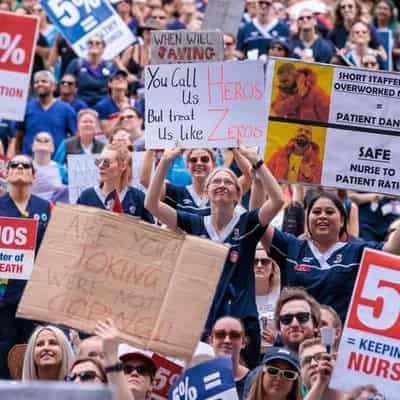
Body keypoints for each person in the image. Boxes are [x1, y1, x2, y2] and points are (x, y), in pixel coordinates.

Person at [145, 148, 284, 367]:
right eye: (216, 181)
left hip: (241, 319)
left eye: (228, 182)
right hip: (202, 321)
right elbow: (151, 205)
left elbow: (277, 200)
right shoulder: (194, 223)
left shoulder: (247, 224)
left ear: (238, 194)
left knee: (241, 382)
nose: (221, 185)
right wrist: (165, 161)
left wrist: (257, 162)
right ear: (207, 191)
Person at [262, 191, 400, 322]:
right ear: (307, 219)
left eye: (329, 212)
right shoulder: (291, 246)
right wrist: (257, 178)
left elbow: (393, 248)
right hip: (294, 336)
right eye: (316, 212)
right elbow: (259, 221)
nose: (322, 216)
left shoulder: (357, 251)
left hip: (337, 341)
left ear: (341, 221)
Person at [0, 155, 52, 379]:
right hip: (3, 298)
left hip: (34, 298)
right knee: (4, 353)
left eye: (25, 165)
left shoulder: (46, 207)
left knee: (35, 352)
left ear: (34, 175)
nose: (20, 167)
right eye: (14, 165)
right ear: (6, 173)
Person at [77, 142, 153, 223]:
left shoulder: (138, 198)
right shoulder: (86, 196)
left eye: (106, 162)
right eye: (98, 161)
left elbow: (150, 232)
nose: (100, 166)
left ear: (122, 166)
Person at [8, 70, 77, 158]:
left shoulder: (67, 109)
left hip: (56, 163)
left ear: (53, 86)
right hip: (30, 162)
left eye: (44, 81)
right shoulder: (25, 108)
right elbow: (18, 137)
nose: (39, 84)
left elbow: (75, 138)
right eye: (36, 82)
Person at [66, 35, 118, 107]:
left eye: (98, 43)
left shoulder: (111, 66)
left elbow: (115, 88)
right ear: (87, 46)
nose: (94, 45)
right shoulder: (76, 64)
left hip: (104, 106)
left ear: (103, 48)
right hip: (80, 104)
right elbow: (65, 84)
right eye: (90, 43)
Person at [209, 317, 250, 399]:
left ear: (243, 343)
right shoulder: (198, 380)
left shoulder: (255, 381)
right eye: (220, 334)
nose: (227, 340)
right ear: (211, 341)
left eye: (234, 335)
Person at [274, 287, 320, 354]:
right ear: (278, 328)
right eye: (287, 319)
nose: (294, 324)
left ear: (315, 324)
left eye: (302, 317)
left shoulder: (333, 362)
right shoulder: (270, 363)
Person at [254, 246, 281, 350]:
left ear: (273, 268)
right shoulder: (241, 296)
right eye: (255, 262)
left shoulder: (282, 294)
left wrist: (277, 340)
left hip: (275, 353)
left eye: (265, 261)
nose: (259, 265)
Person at [31, 132, 67, 202]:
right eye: (38, 140)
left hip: (54, 209)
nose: (42, 142)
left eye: (47, 141)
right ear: (32, 147)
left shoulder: (62, 170)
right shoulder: (24, 167)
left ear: (53, 148)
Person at [95, 70, 131, 137]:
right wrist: (122, 115)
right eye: (117, 78)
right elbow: (108, 134)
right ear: (110, 84)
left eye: (124, 78)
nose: (121, 79)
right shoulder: (102, 106)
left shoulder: (135, 103)